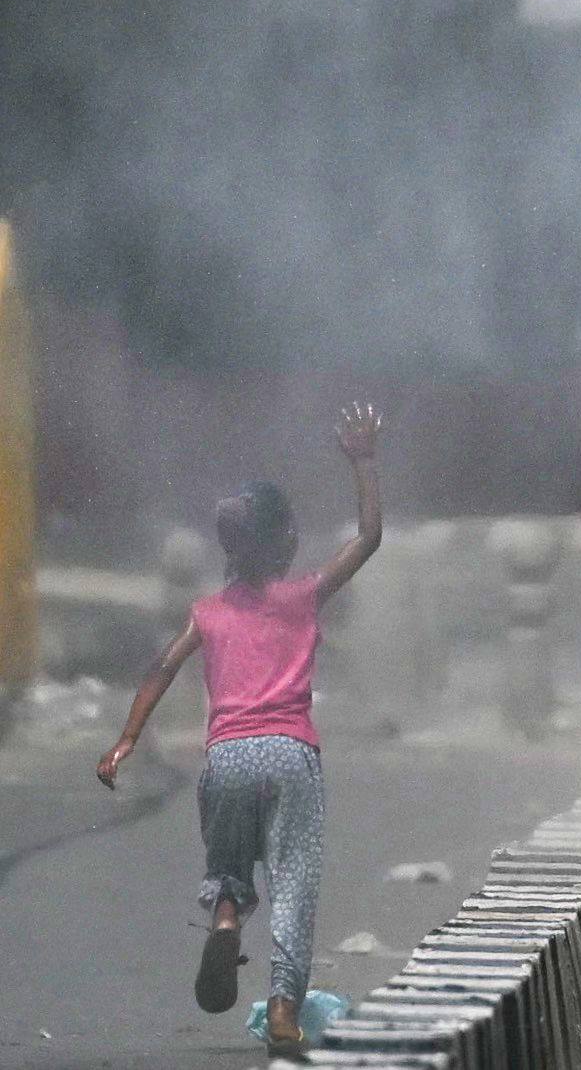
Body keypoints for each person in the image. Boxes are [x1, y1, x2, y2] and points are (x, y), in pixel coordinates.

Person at [97, 403, 384, 1054]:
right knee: (294, 883)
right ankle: (284, 1007)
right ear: (284, 541)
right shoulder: (302, 596)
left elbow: (160, 668)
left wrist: (125, 740)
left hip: (225, 758)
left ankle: (225, 921)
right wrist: (363, 461)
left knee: (229, 866)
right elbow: (368, 538)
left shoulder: (206, 612)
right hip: (290, 755)